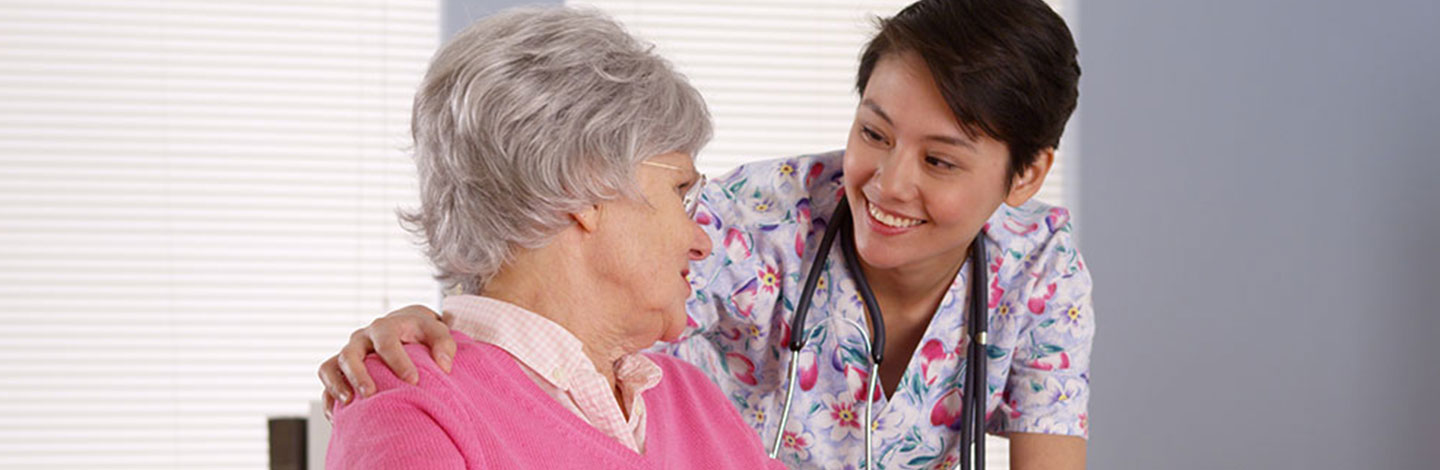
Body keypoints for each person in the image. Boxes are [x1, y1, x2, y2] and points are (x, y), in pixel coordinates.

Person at [321, 0, 1093, 468]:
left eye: (940, 160)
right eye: (874, 132)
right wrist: (431, 337)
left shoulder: (687, 404)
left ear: (1025, 176)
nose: (890, 184)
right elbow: (535, 257)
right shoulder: (754, 218)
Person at [324, 7, 786, 469]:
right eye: (680, 190)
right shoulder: (410, 402)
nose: (702, 241)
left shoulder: (693, 401)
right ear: (586, 186)